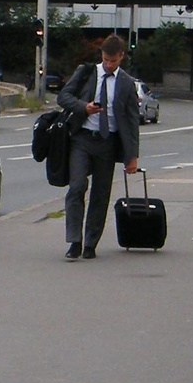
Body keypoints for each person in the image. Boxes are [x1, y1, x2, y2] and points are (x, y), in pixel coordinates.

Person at [56, 34, 140, 260]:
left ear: (121, 57)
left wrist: (132, 156)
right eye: (105, 60)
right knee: (77, 187)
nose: (108, 64)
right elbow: (63, 97)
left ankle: (91, 243)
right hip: (82, 139)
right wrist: (84, 107)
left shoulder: (126, 83)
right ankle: (74, 240)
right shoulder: (86, 72)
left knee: (101, 195)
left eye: (113, 61)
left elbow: (132, 121)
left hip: (108, 144)